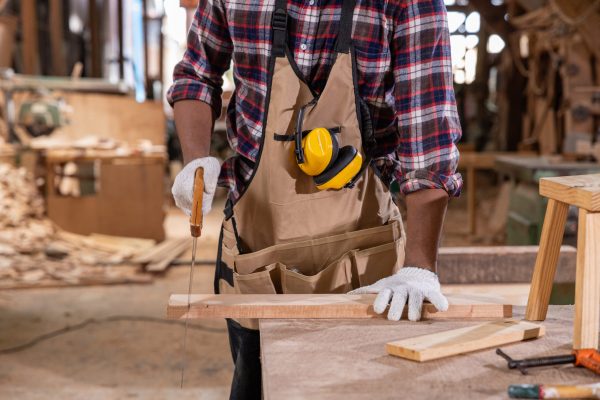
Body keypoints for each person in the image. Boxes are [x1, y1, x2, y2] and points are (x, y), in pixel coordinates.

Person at [168, 0, 462, 399]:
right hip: (257, 254)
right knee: (258, 386)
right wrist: (196, 158)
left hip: (366, 261)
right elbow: (196, 75)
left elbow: (428, 144)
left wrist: (420, 267)